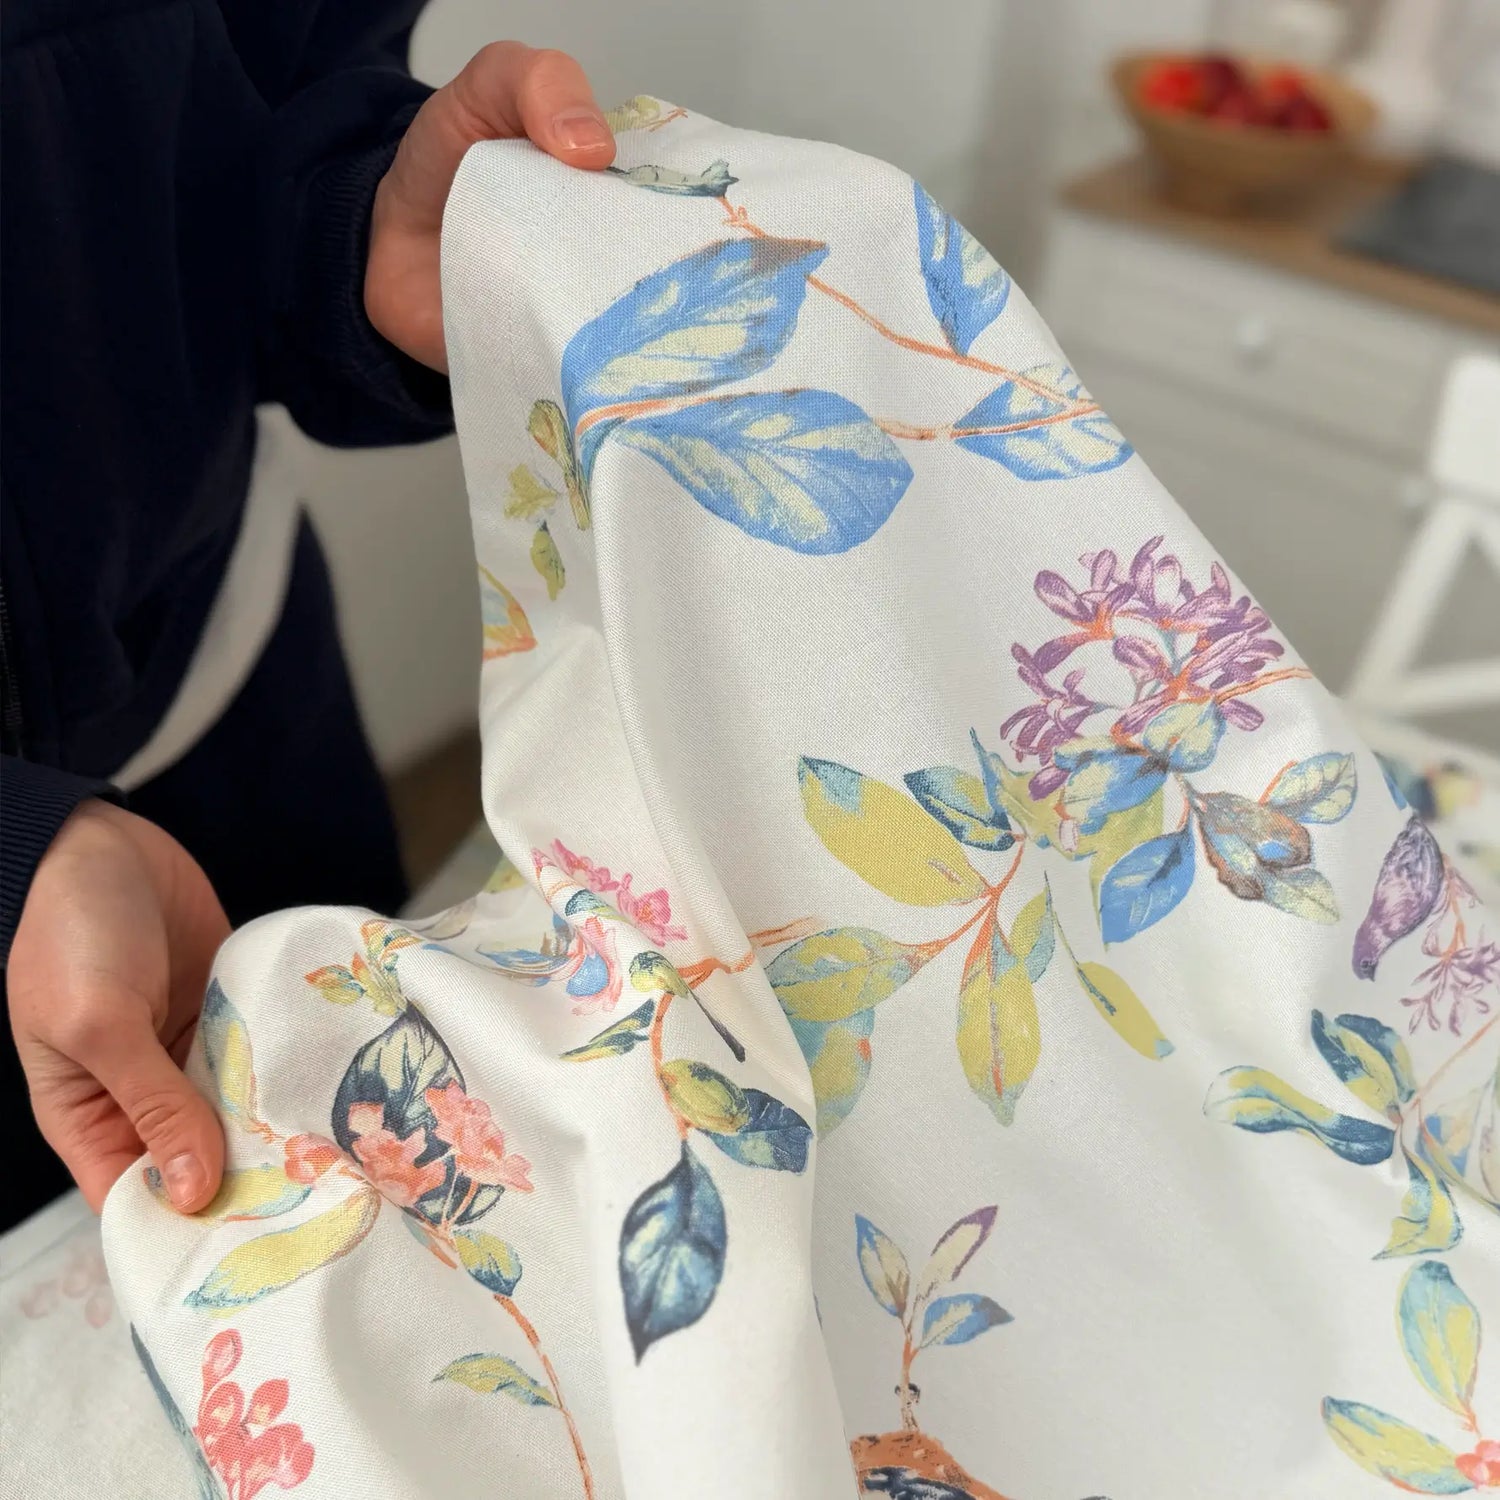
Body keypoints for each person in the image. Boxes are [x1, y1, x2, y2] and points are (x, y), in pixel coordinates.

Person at [0, 2, 614, 1232]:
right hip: (59, 860)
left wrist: (356, 222)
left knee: (415, 1228)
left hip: (231, 707)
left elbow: (267, 95)